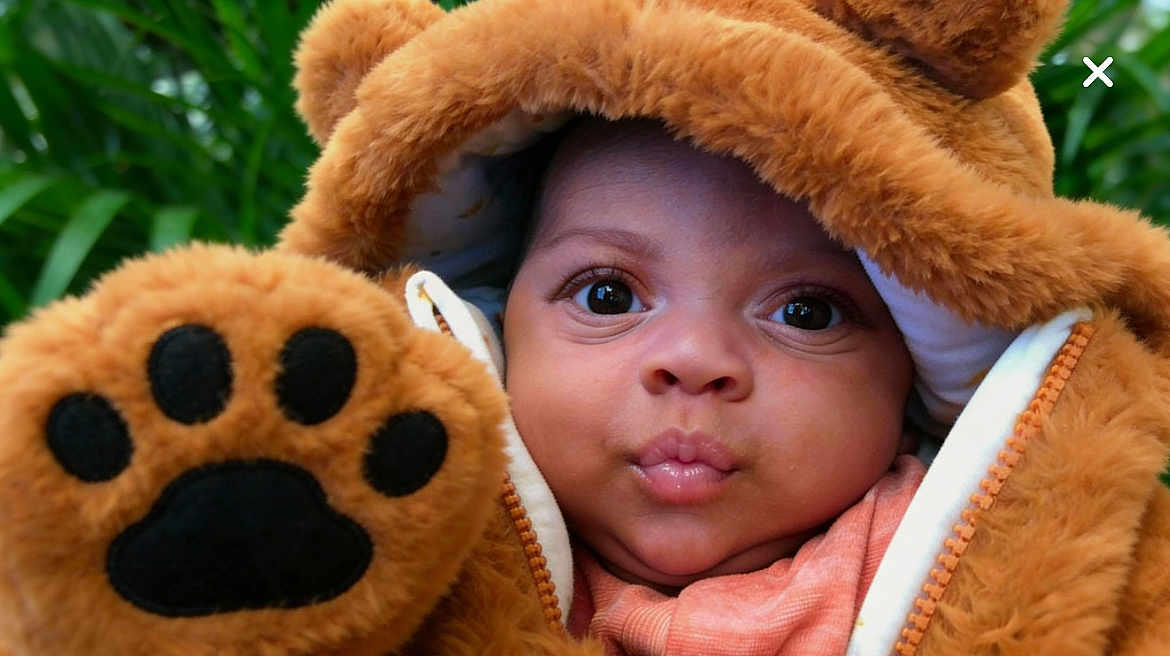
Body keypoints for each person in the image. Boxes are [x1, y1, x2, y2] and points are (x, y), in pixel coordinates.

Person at [503, 116, 927, 653]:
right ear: (498, 339)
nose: (694, 358)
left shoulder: (961, 543)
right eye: (607, 296)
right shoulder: (434, 538)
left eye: (805, 313)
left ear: (912, 390)